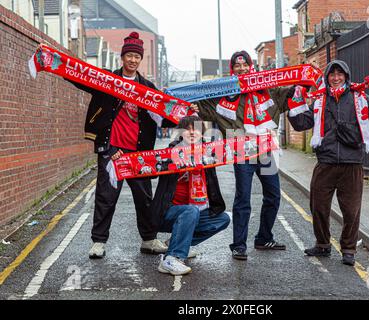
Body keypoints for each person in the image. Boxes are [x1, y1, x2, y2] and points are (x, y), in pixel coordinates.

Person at [68, 32, 174, 259]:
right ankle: (98, 241)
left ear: (140, 59)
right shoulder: (108, 81)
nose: (133, 60)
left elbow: (165, 117)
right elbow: (80, 76)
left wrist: (185, 113)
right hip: (112, 150)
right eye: (129, 55)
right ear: (122, 57)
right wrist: (53, 61)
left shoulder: (147, 88)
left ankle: (149, 239)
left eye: (137, 56)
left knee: (145, 198)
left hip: (138, 154)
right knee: (106, 197)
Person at [190, 51, 295, 260]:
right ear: (232, 69)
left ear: (251, 66)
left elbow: (286, 93)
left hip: (266, 152)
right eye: (237, 66)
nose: (242, 69)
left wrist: (300, 85)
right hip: (242, 154)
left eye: (245, 65)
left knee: (273, 196)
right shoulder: (226, 92)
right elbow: (206, 106)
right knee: (243, 199)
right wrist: (194, 105)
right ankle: (238, 245)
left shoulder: (266, 88)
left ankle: (264, 237)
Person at [287, 60, 369, 266]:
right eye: (332, 74)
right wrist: (294, 99)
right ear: (327, 77)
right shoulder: (318, 99)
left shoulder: (359, 96)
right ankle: (323, 245)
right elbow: (301, 124)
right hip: (325, 162)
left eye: (340, 74)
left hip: (352, 162)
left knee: (351, 210)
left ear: (346, 76)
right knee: (318, 206)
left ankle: (348, 249)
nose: (336, 78)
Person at [149, 116, 231, 275]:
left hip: (193, 213)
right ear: (180, 132)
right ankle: (171, 258)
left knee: (223, 219)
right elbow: (146, 169)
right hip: (168, 212)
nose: (192, 133)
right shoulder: (170, 152)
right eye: (188, 129)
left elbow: (234, 151)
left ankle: (178, 243)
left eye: (197, 129)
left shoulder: (208, 153)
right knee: (190, 210)